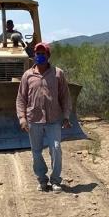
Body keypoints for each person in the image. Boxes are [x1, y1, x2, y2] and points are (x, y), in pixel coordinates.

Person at [15, 42, 72, 193]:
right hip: (34, 119)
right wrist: (22, 118)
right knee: (36, 152)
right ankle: (42, 179)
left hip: (54, 120)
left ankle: (55, 180)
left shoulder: (57, 74)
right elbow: (21, 98)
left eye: (42, 53)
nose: (39, 56)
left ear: (48, 55)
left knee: (56, 148)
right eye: (37, 53)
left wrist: (66, 116)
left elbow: (65, 97)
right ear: (34, 55)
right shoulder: (27, 75)